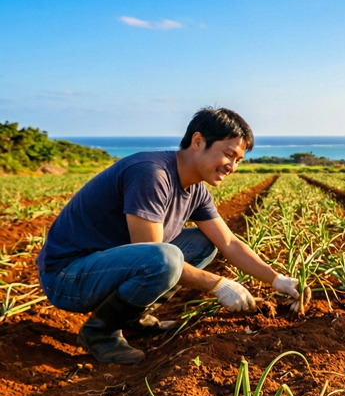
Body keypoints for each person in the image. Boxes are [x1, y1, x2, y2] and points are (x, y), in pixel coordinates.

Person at [36, 108, 301, 365]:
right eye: (228, 154)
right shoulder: (152, 173)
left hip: (105, 267)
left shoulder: (196, 190)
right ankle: (100, 331)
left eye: (238, 160)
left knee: (204, 243)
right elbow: (152, 252)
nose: (232, 166)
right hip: (67, 277)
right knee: (165, 257)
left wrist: (278, 280)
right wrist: (219, 285)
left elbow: (228, 242)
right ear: (198, 141)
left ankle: (132, 316)